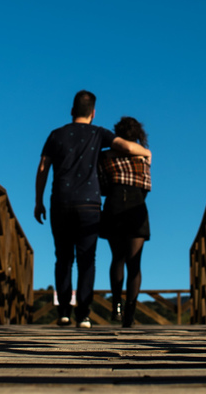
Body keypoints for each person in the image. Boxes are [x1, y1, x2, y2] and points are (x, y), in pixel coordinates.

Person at [35, 90, 152, 328]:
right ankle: (84, 315)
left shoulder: (55, 135)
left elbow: (43, 167)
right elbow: (127, 148)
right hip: (89, 204)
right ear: (93, 112)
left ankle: (64, 312)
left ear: (72, 111)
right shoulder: (98, 133)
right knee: (87, 259)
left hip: (60, 201)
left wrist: (39, 200)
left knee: (63, 258)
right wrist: (146, 152)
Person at [99, 115, 151, 328]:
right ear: (138, 134)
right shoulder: (143, 157)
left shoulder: (105, 156)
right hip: (137, 207)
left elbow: (101, 186)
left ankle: (116, 306)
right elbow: (146, 187)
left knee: (117, 259)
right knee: (134, 264)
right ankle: (130, 312)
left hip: (113, 206)